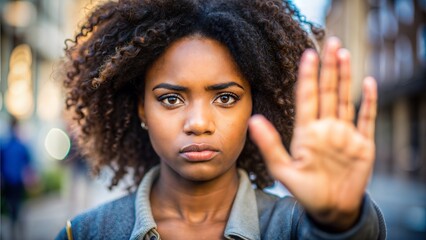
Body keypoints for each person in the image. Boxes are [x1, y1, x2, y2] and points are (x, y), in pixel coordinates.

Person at [56, 0, 386, 239]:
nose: (199, 123)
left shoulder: (296, 228)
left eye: (225, 98)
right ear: (142, 109)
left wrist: (342, 221)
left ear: (256, 107)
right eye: (171, 99)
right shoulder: (86, 233)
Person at [1, 116, 33, 240]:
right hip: (12, 180)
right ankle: (15, 229)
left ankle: (16, 229)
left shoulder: (10, 144)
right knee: (14, 207)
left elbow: (27, 163)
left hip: (14, 180)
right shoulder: (11, 144)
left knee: (15, 207)